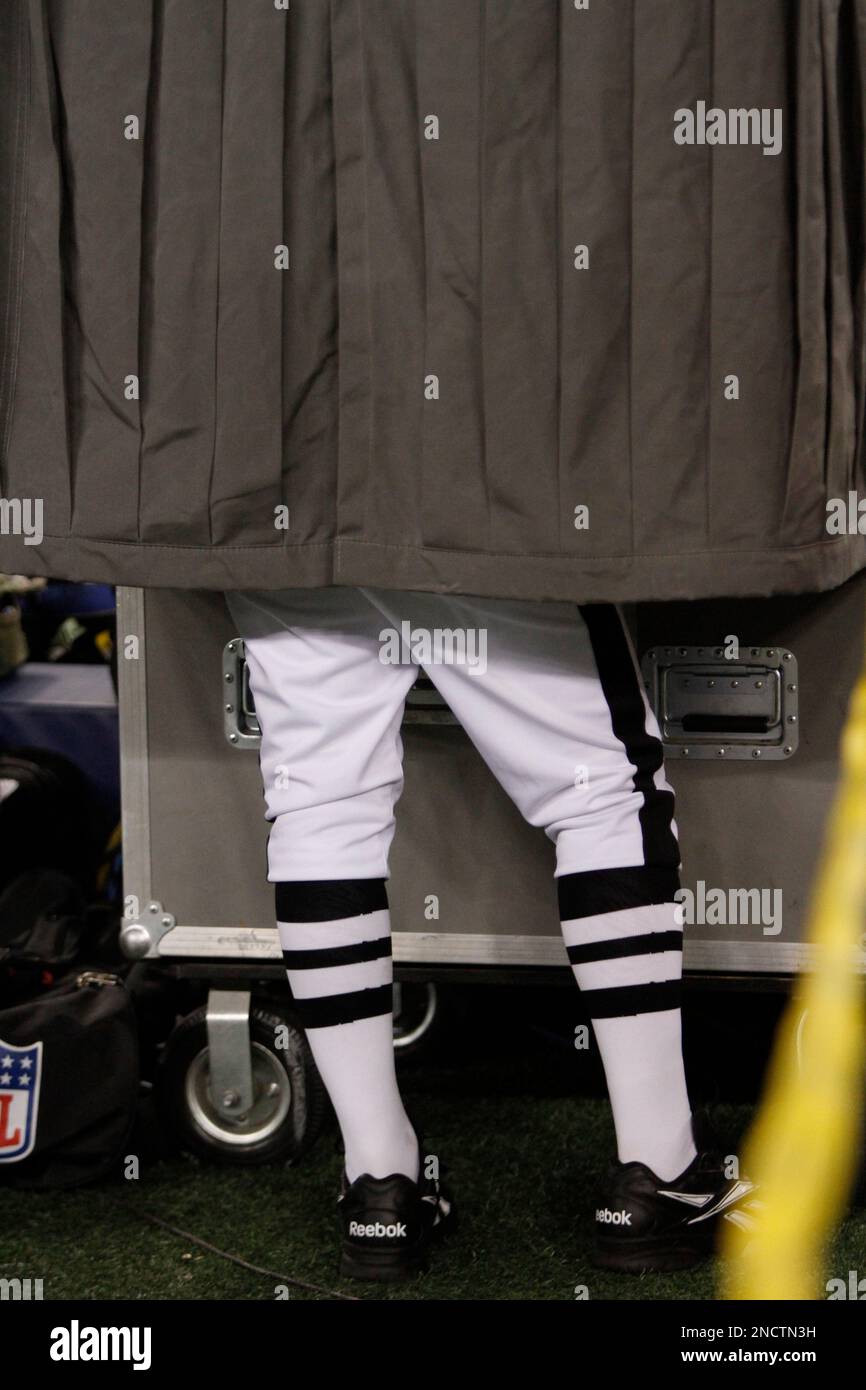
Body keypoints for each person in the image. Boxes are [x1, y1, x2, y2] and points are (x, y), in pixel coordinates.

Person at [224, 582, 755, 1282]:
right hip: (466, 496)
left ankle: (379, 1191)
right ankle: (660, 1172)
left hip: (284, 500)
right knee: (601, 794)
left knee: (320, 806)